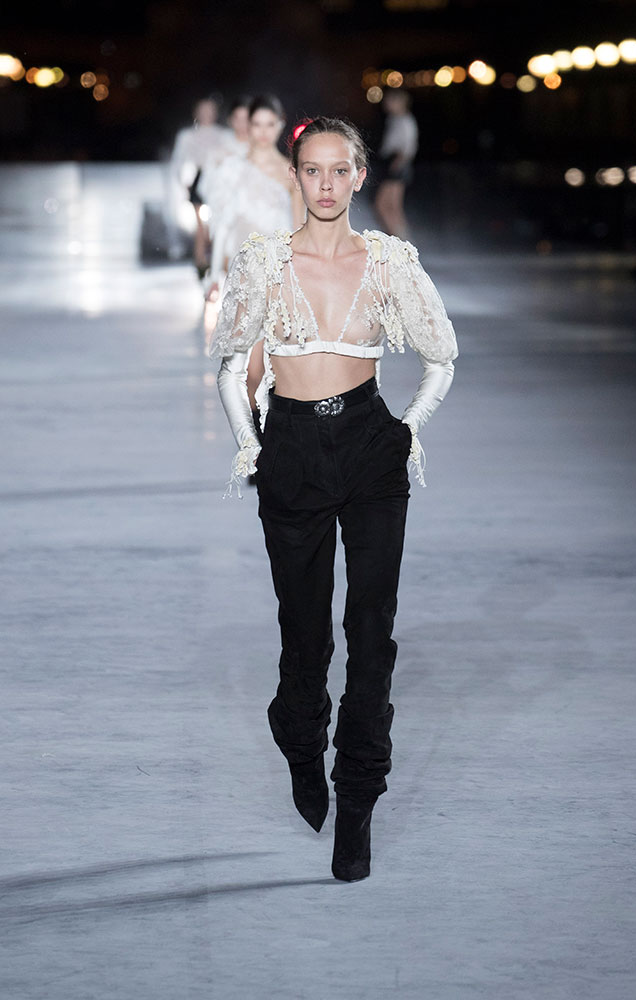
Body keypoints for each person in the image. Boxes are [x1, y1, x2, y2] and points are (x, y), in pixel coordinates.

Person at [209, 117, 458, 882]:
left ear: (357, 176)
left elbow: (441, 358)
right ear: (295, 176)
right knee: (305, 631)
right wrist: (252, 445)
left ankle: (357, 801)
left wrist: (404, 431)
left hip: (368, 443)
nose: (324, 183)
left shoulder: (388, 261)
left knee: (371, 630)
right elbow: (231, 365)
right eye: (311, 170)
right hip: (290, 447)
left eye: (338, 169)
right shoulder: (263, 262)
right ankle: (298, 736)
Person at [202, 95, 304, 416]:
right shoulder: (233, 168)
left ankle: (265, 435)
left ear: (281, 125)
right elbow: (222, 225)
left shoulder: (291, 172)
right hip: (244, 271)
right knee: (247, 366)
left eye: (269, 124)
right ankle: (253, 435)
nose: (262, 132)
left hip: (280, 271)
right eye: (256, 124)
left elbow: (299, 227)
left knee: (277, 364)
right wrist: (214, 274)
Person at [169, 98, 232, 277]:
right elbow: (178, 161)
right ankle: (201, 262)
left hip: (218, 184)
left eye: (210, 110)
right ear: (196, 112)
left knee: (216, 224)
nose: (206, 114)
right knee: (200, 225)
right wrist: (183, 183)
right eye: (203, 110)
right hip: (198, 181)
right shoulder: (187, 135)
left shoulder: (224, 135)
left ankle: (217, 260)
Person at [374, 89, 419, 240]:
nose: (386, 104)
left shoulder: (405, 120)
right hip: (391, 162)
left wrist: (399, 162)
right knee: (388, 206)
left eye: (390, 101)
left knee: (387, 205)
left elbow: (409, 146)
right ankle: (398, 240)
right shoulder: (394, 119)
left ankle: (401, 242)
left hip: (397, 163)